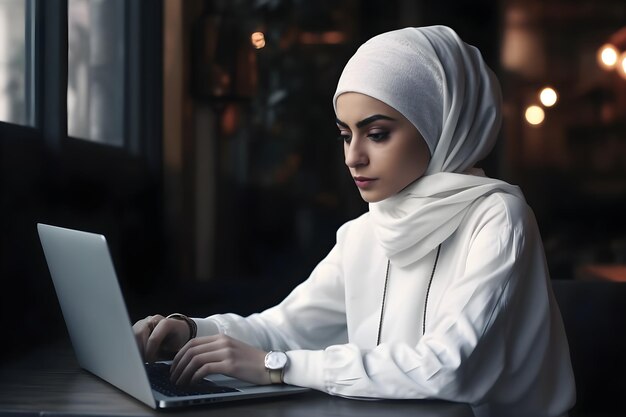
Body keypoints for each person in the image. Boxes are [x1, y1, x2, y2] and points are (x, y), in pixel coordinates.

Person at [134, 26, 575, 417]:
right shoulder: (366, 231)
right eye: (346, 134)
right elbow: (285, 328)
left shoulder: (498, 218)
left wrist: (277, 367)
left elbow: (449, 368)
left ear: (441, 123)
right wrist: (193, 333)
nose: (353, 156)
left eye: (377, 133)